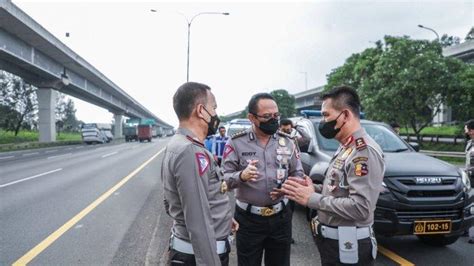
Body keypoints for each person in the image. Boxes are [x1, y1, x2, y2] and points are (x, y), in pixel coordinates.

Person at [279, 85, 385, 266]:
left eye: (326, 115)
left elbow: (361, 207)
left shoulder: (363, 151)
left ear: (345, 115)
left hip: (349, 248)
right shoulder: (346, 146)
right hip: (334, 244)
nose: (323, 121)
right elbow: (340, 189)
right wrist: (315, 188)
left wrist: (312, 199)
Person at [222, 93, 304, 266]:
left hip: (281, 217)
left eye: (276, 116)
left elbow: (298, 173)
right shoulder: (236, 142)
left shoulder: (287, 141)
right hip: (248, 220)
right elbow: (224, 180)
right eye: (267, 116)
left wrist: (288, 187)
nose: (273, 120)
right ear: (251, 117)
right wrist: (241, 176)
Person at [161, 82, 238, 266]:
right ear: (201, 110)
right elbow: (198, 223)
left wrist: (223, 218)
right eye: (214, 108)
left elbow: (171, 202)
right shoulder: (190, 151)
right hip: (197, 258)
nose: (215, 114)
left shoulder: (178, 144)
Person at [464, 119, 474, 244]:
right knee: (469, 204)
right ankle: (465, 229)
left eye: (466, 128)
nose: (465, 131)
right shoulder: (469, 143)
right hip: (470, 177)